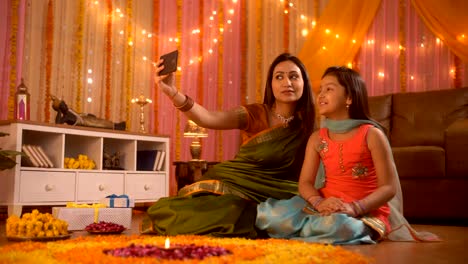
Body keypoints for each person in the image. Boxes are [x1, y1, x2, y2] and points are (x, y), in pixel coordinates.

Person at [256, 66, 440, 244]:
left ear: (349, 98)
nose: (321, 95)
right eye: (320, 89)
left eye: (329, 89)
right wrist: (319, 202)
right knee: (269, 214)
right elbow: (305, 183)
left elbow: (388, 188)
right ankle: (312, 229)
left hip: (363, 212)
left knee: (338, 226)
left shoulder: (371, 135)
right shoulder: (317, 138)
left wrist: (354, 207)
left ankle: (307, 230)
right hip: (325, 205)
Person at [141, 53, 316, 238]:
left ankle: (258, 221)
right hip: (235, 187)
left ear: (304, 82)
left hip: (281, 197)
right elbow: (208, 118)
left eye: (294, 76)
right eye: (279, 76)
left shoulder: (309, 127)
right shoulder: (256, 114)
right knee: (181, 211)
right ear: (270, 85)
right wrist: (172, 92)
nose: (286, 82)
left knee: (292, 213)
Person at [50, 95, 126, 130]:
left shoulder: (69, 110)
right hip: (85, 123)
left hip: (85, 118)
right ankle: (116, 127)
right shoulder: (66, 116)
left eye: (64, 104)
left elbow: (78, 114)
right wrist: (58, 111)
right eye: (63, 105)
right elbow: (58, 123)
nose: (65, 105)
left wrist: (87, 114)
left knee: (101, 121)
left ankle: (115, 124)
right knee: (101, 124)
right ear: (60, 108)